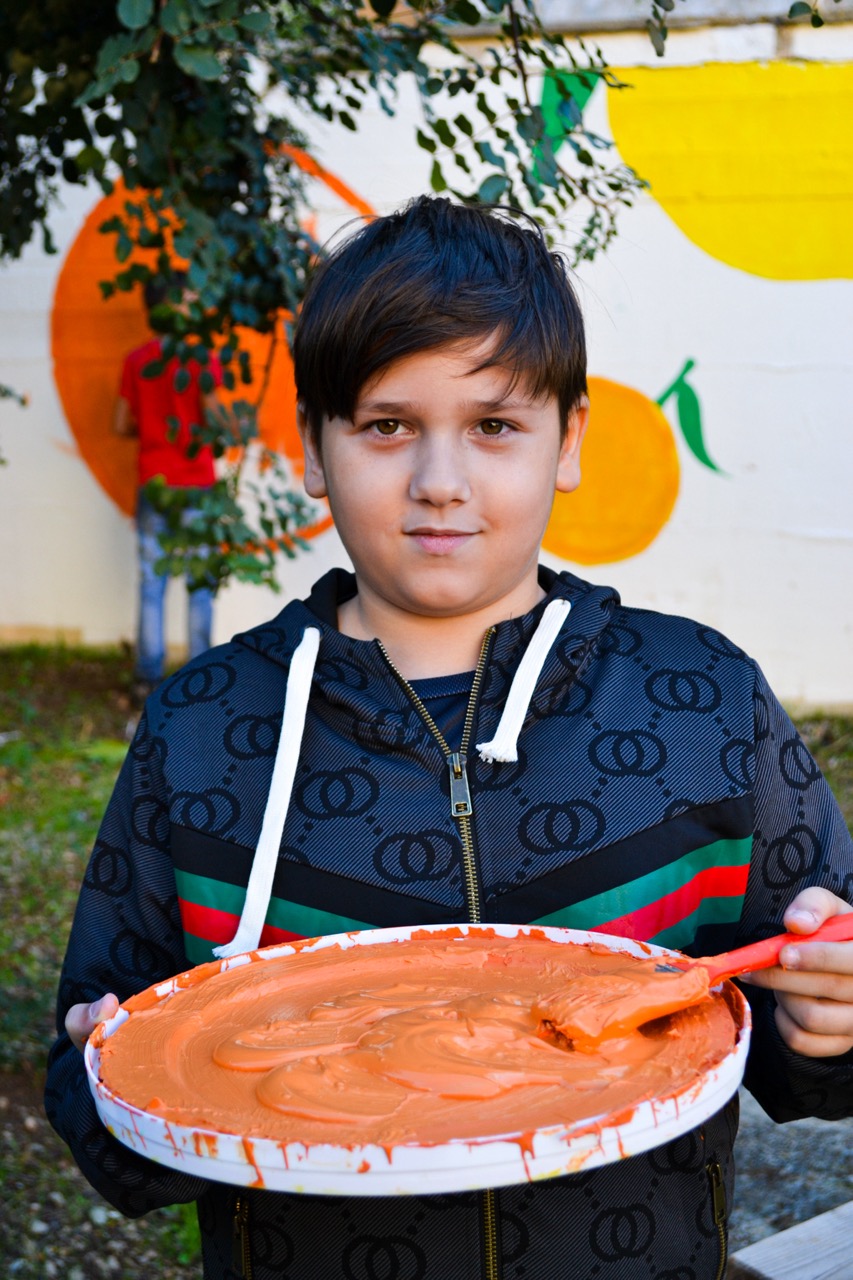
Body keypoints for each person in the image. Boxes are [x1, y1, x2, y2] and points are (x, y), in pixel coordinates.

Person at [47, 196, 853, 1280]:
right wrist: (111, 1090)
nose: (439, 482)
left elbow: (805, 1036)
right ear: (312, 448)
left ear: (568, 440)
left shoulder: (701, 704)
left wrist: (827, 1021)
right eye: (386, 425)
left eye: (493, 426)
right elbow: (92, 1074)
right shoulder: (203, 731)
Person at [114, 275, 222, 702]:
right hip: (197, 483)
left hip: (154, 482)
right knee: (200, 586)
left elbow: (120, 423)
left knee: (152, 583)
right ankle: (202, 678)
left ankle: (147, 678)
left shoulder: (136, 360)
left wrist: (153, 430)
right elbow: (214, 419)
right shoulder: (201, 359)